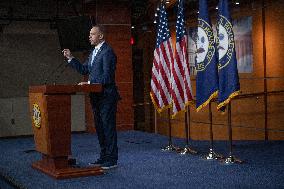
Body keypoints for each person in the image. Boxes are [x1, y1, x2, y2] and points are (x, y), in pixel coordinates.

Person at [62, 25, 120, 170]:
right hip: (96, 96)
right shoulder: (93, 52)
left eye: (92, 34)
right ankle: (103, 157)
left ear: (100, 36)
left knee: (108, 128)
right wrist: (70, 58)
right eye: (90, 34)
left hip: (106, 96)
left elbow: (107, 76)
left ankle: (112, 160)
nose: (89, 37)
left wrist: (89, 83)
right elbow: (84, 69)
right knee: (100, 128)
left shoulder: (108, 52)